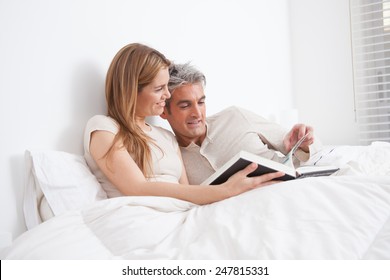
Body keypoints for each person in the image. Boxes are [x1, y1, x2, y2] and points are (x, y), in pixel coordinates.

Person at [83, 43, 284, 205]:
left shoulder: (166, 137)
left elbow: (188, 193)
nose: (167, 95)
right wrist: (225, 190)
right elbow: (137, 188)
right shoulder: (104, 129)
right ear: (131, 91)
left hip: (183, 216)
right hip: (144, 218)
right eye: (159, 88)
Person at [161, 63, 322, 184]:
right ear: (163, 111)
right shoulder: (169, 155)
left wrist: (304, 143)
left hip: (288, 186)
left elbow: (315, 151)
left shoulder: (235, 117)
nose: (197, 113)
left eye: (201, 102)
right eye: (185, 106)